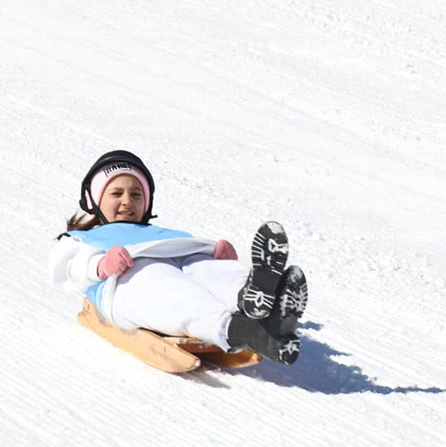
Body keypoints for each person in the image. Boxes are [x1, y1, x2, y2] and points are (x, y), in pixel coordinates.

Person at [48, 150, 307, 364]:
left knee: (205, 268)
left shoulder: (162, 233)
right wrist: (99, 265)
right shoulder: (86, 237)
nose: (127, 201)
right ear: (95, 201)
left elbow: (197, 261)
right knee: (166, 286)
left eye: (136, 194)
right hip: (124, 282)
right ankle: (243, 330)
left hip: (177, 258)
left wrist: (215, 254)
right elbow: (66, 265)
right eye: (116, 193)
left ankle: (253, 294)